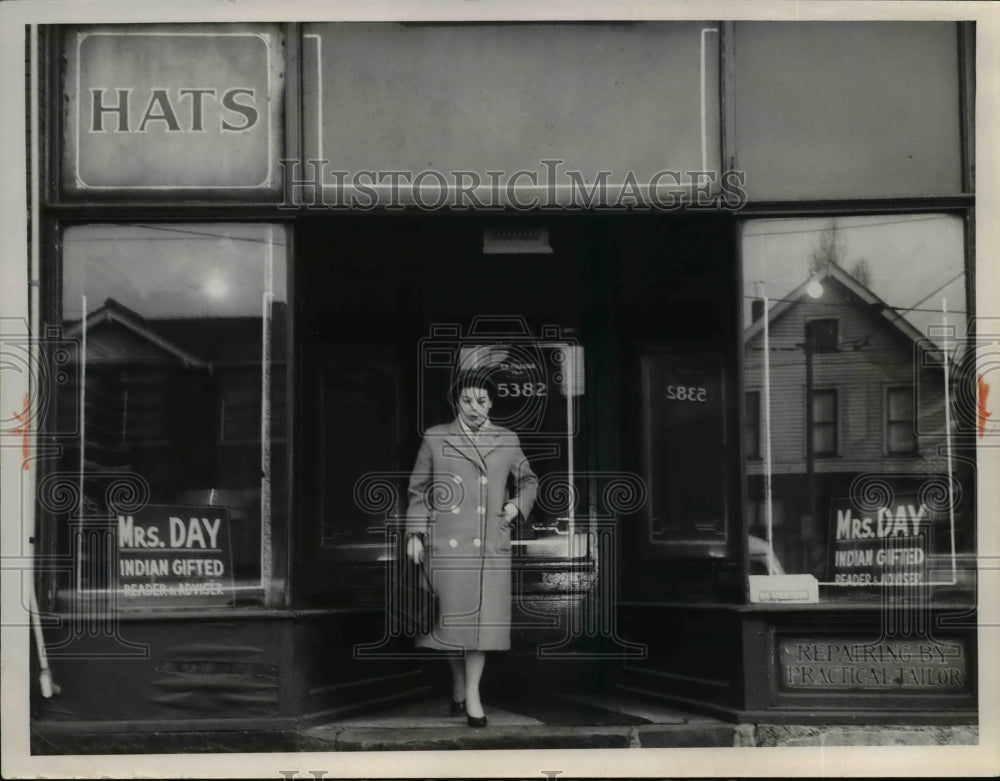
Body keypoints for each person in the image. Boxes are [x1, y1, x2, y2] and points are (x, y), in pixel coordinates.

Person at [404, 370, 537, 727]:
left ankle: (474, 693)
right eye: (467, 400)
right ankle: (459, 679)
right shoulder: (435, 438)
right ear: (456, 402)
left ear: (491, 402)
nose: (474, 407)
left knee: (480, 625)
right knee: (451, 622)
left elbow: (529, 480)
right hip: (446, 544)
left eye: (481, 400)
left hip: (488, 544)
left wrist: (515, 506)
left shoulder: (507, 440)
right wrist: (414, 534)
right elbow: (418, 490)